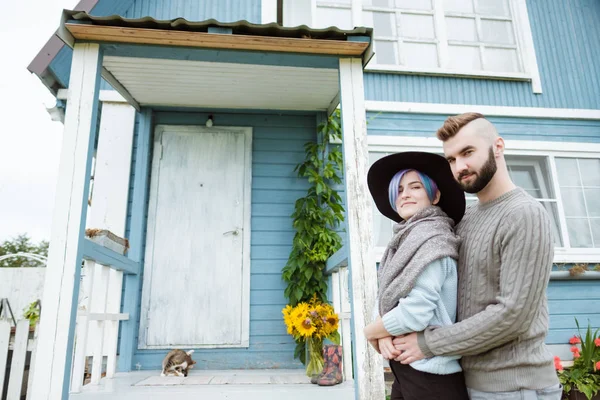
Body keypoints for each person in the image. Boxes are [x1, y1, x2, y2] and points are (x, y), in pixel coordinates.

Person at [392, 113, 562, 399]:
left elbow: (513, 315)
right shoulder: (464, 218)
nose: (460, 166)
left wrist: (428, 343)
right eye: (451, 159)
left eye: (467, 152)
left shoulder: (524, 214)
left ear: (498, 147)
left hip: (516, 387)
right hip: (469, 382)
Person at [363, 151, 468, 400]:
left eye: (415, 187)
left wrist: (371, 332)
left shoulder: (434, 240)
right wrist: (384, 331)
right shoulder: (405, 240)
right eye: (398, 189)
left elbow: (416, 311)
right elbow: (390, 298)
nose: (405, 194)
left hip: (431, 376)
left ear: (435, 195)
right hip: (408, 369)